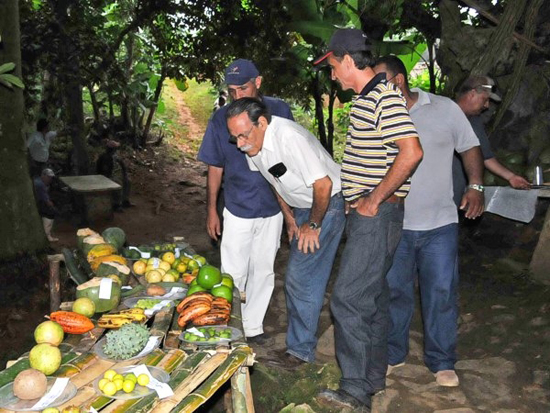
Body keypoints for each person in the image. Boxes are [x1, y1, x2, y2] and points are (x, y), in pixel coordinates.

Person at [313, 30, 423, 412]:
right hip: (374, 215)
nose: (331, 76)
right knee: (371, 299)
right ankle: (372, 380)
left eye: (331, 67)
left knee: (348, 299)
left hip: (378, 216)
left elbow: (411, 153)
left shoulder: (382, 97)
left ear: (346, 60)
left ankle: (355, 391)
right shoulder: (369, 98)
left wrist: (374, 200)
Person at [373, 56, 485, 388]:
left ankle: (441, 361)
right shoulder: (376, 114)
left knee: (441, 292)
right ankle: (394, 354)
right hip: (396, 223)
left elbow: (470, 147)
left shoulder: (445, 108)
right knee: (395, 292)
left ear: (399, 81)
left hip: (440, 223)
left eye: (381, 84)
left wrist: (475, 186)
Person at [225, 97, 346, 368]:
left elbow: (324, 185)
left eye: (244, 135)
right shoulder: (251, 148)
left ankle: (300, 352)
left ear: (263, 123)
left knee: (299, 277)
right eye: (235, 138)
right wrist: (290, 218)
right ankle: (300, 347)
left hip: (327, 205)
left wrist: (313, 225)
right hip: (302, 208)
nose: (241, 143)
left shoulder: (289, 137)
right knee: (304, 277)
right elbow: (274, 182)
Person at [197, 59, 294, 343]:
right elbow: (215, 166)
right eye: (232, 90)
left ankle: (253, 328)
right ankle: (229, 325)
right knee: (233, 272)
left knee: (263, 269)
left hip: (273, 207)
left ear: (259, 83)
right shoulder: (220, 119)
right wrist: (212, 210)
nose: (237, 96)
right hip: (238, 205)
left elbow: (291, 154)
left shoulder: (279, 111)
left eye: (243, 88)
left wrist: (292, 209)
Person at [453, 75, 530, 204]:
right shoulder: (442, 113)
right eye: (485, 99)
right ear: (472, 94)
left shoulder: (474, 120)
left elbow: (485, 157)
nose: (487, 105)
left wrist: (511, 177)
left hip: (455, 194)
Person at [96, 138, 133, 211]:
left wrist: (125, 174)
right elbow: (101, 170)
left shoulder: (116, 156)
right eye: (116, 148)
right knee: (117, 183)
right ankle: (116, 204)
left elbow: (123, 165)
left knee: (128, 181)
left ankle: (125, 200)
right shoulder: (104, 157)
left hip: (116, 175)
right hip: (107, 176)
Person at [33, 168, 60, 242]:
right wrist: (54, 208)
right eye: (48, 177)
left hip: (37, 202)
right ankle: (47, 235)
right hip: (39, 204)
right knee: (51, 213)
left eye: (51, 178)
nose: (50, 179)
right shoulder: (40, 184)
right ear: (43, 175)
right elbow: (47, 201)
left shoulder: (37, 180)